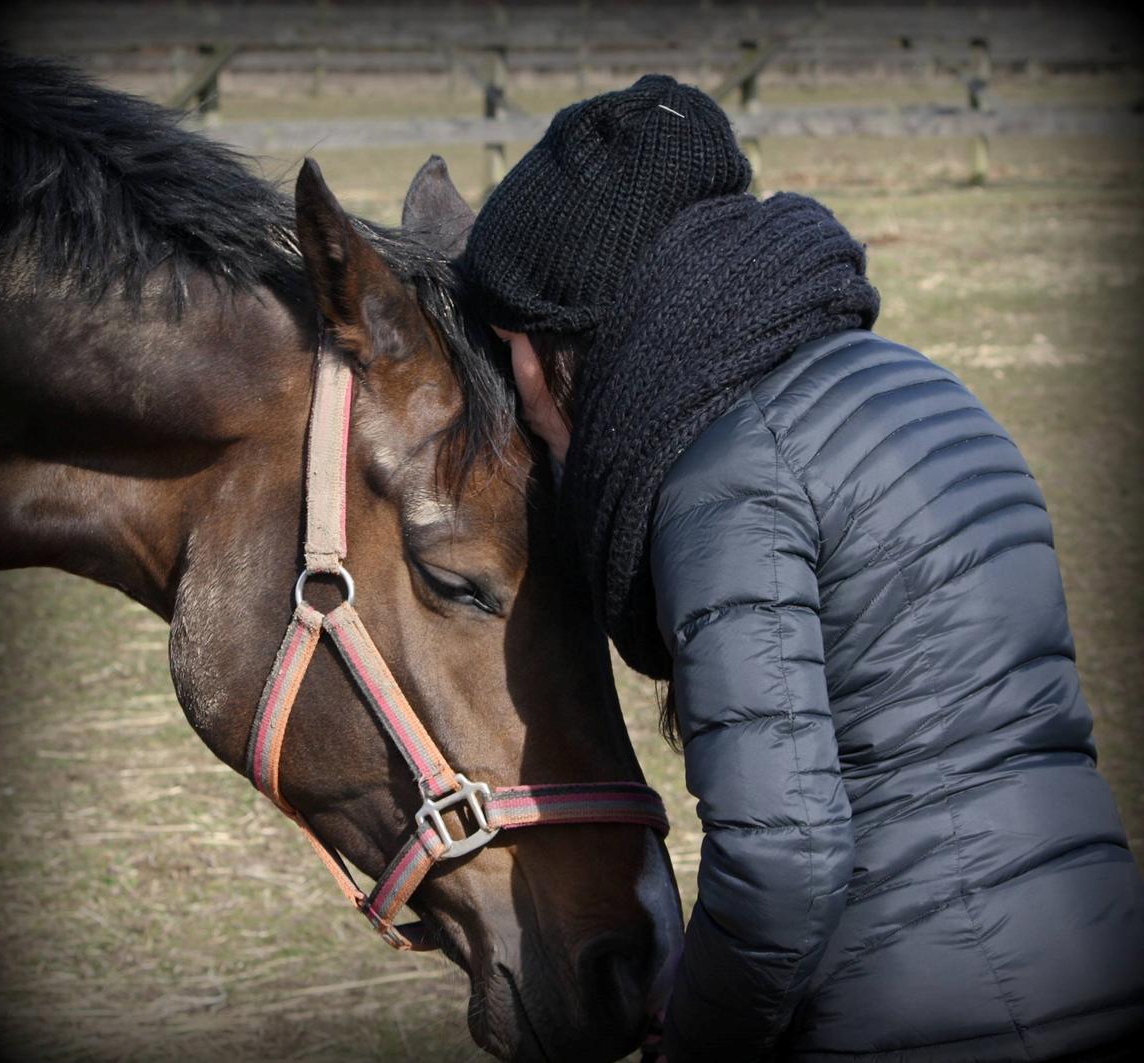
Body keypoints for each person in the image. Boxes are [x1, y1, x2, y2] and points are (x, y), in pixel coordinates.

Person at [460, 74, 1144, 1061]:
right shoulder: (925, 389)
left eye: (512, 348)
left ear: (544, 351)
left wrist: (692, 1038)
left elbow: (785, 864)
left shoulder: (730, 481)